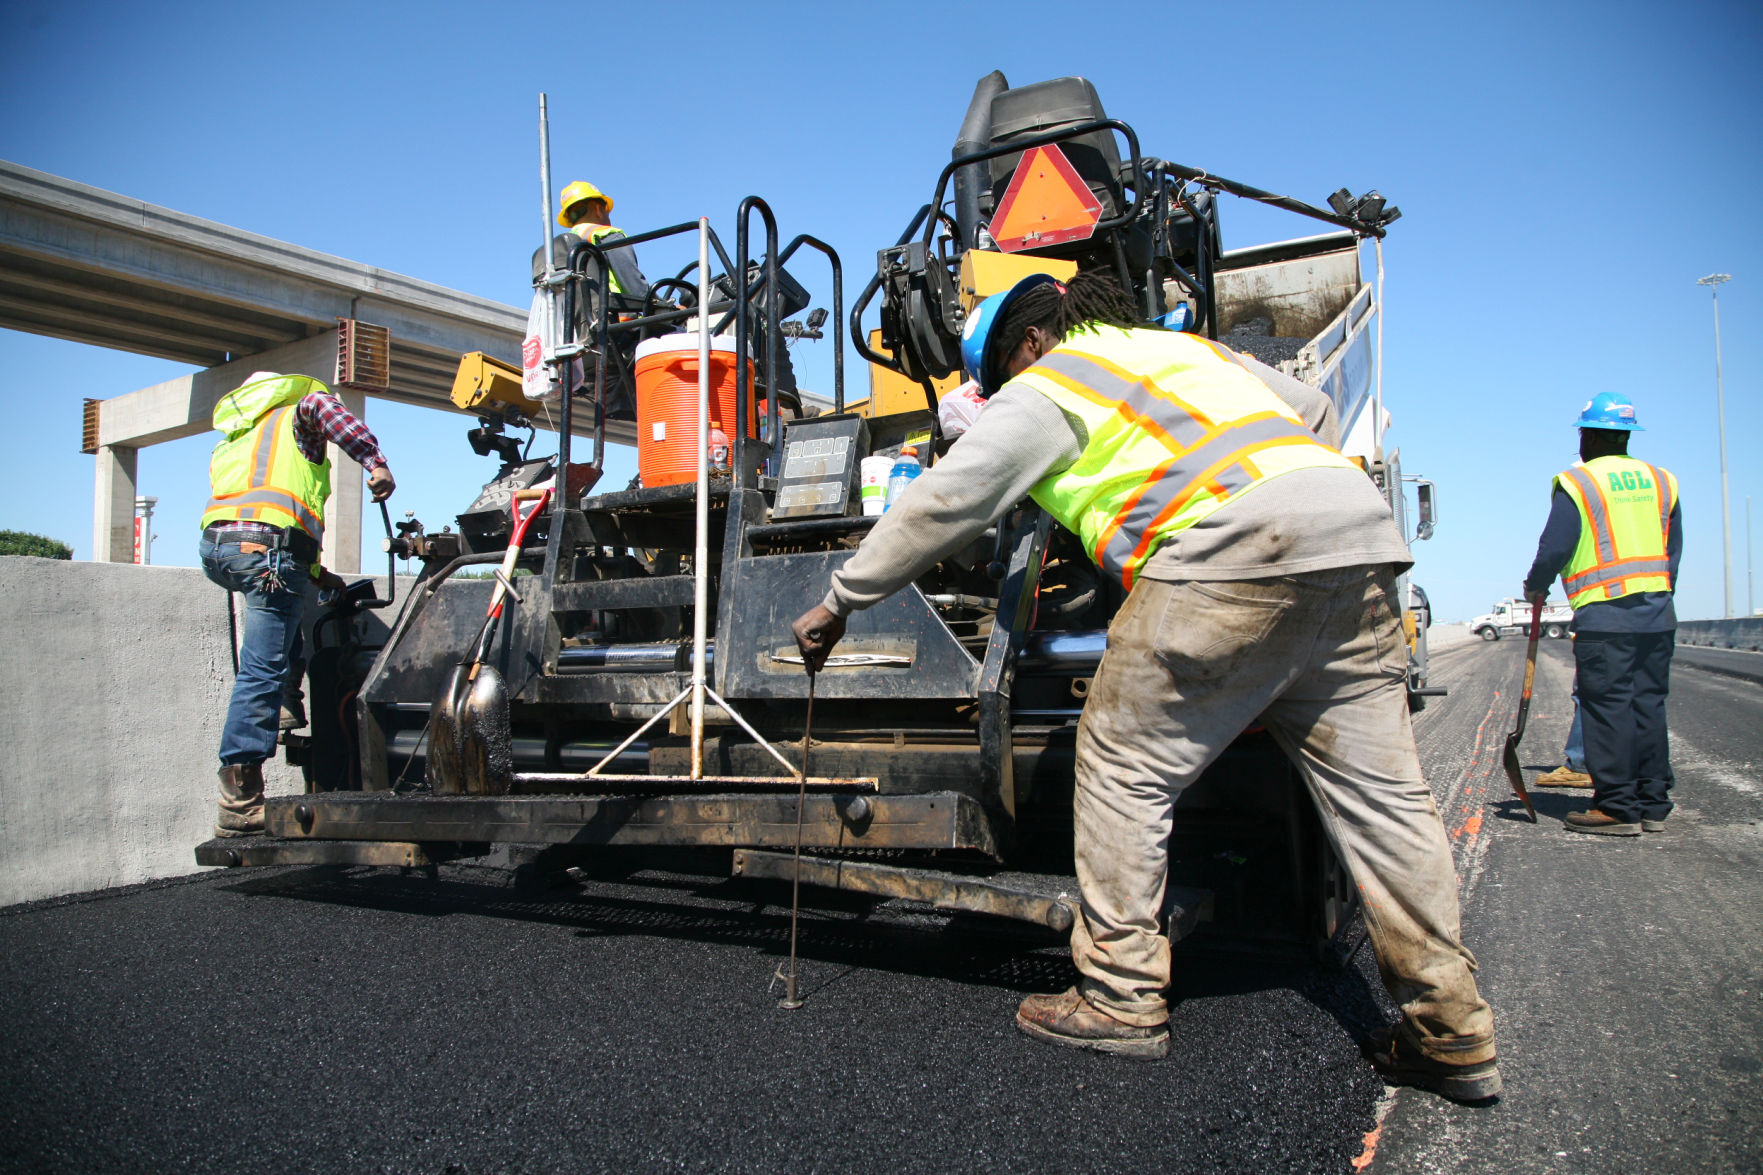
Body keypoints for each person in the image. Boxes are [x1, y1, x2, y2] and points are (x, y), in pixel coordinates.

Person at [791, 272, 1498, 1102]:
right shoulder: (1185, 348)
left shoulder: (1048, 383)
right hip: (1353, 544)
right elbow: (1312, 414)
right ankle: (1451, 1029)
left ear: (1024, 347)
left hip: (1229, 556)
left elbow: (944, 503)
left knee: (1122, 762)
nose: (996, 398)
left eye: (993, 383)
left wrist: (840, 600)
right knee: (1386, 804)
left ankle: (1120, 995)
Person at [199, 371, 394, 837]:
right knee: (260, 671)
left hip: (222, 551)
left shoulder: (240, 435)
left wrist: (318, 574)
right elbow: (329, 412)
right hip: (266, 553)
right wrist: (376, 463)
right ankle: (239, 800)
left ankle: (288, 704)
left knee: (283, 609)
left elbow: (269, 514)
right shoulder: (301, 411)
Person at [1522, 392, 1681, 835]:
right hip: (1657, 612)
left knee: (1607, 708)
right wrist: (1659, 599)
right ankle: (1652, 803)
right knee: (1648, 705)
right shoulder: (1662, 480)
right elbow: (1673, 550)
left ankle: (1616, 807)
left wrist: (1536, 585)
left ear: (1588, 435)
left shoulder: (1580, 482)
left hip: (1606, 618)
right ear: (1627, 435)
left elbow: (1555, 545)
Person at [556, 179, 649, 301]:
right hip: (618, 316)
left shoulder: (562, 247)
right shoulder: (607, 235)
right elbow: (637, 289)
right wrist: (667, 307)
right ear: (598, 210)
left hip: (578, 319)